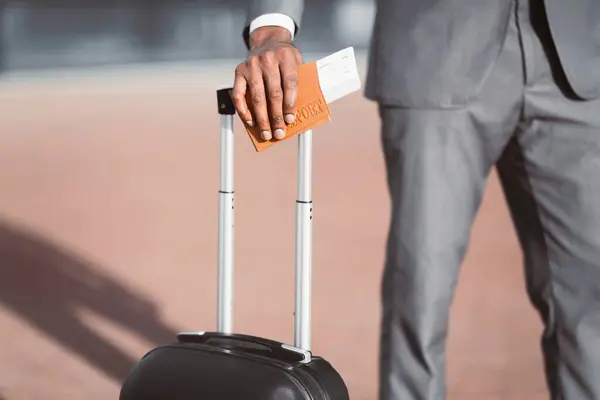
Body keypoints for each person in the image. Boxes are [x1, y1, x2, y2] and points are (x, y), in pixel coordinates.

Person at [231, 0, 600, 398]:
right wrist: (272, 27)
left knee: (589, 299)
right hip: (436, 48)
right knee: (422, 291)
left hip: (576, 60)